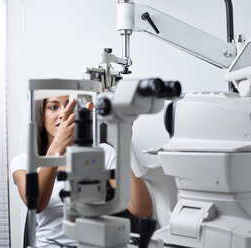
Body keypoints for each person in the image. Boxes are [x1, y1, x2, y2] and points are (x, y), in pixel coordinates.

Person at [10, 95, 153, 247]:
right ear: (40, 114)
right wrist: (57, 148)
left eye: (70, 106)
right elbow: (36, 204)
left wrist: (122, 144)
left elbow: (143, 210)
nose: (63, 114)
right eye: (53, 107)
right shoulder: (23, 161)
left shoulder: (103, 152)